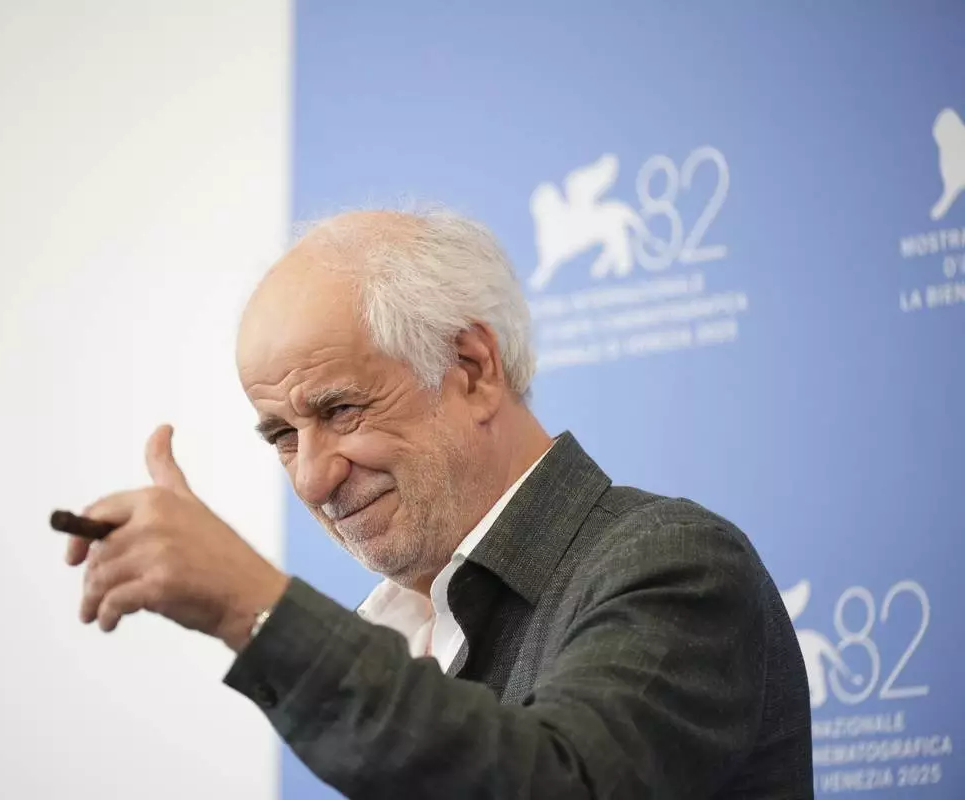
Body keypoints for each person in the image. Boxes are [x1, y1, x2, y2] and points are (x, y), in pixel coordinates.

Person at [64, 209, 814, 798]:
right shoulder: (398, 632)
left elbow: (561, 783)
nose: (312, 479)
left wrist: (251, 608)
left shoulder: (672, 563)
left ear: (472, 369)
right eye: (283, 437)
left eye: (340, 410)